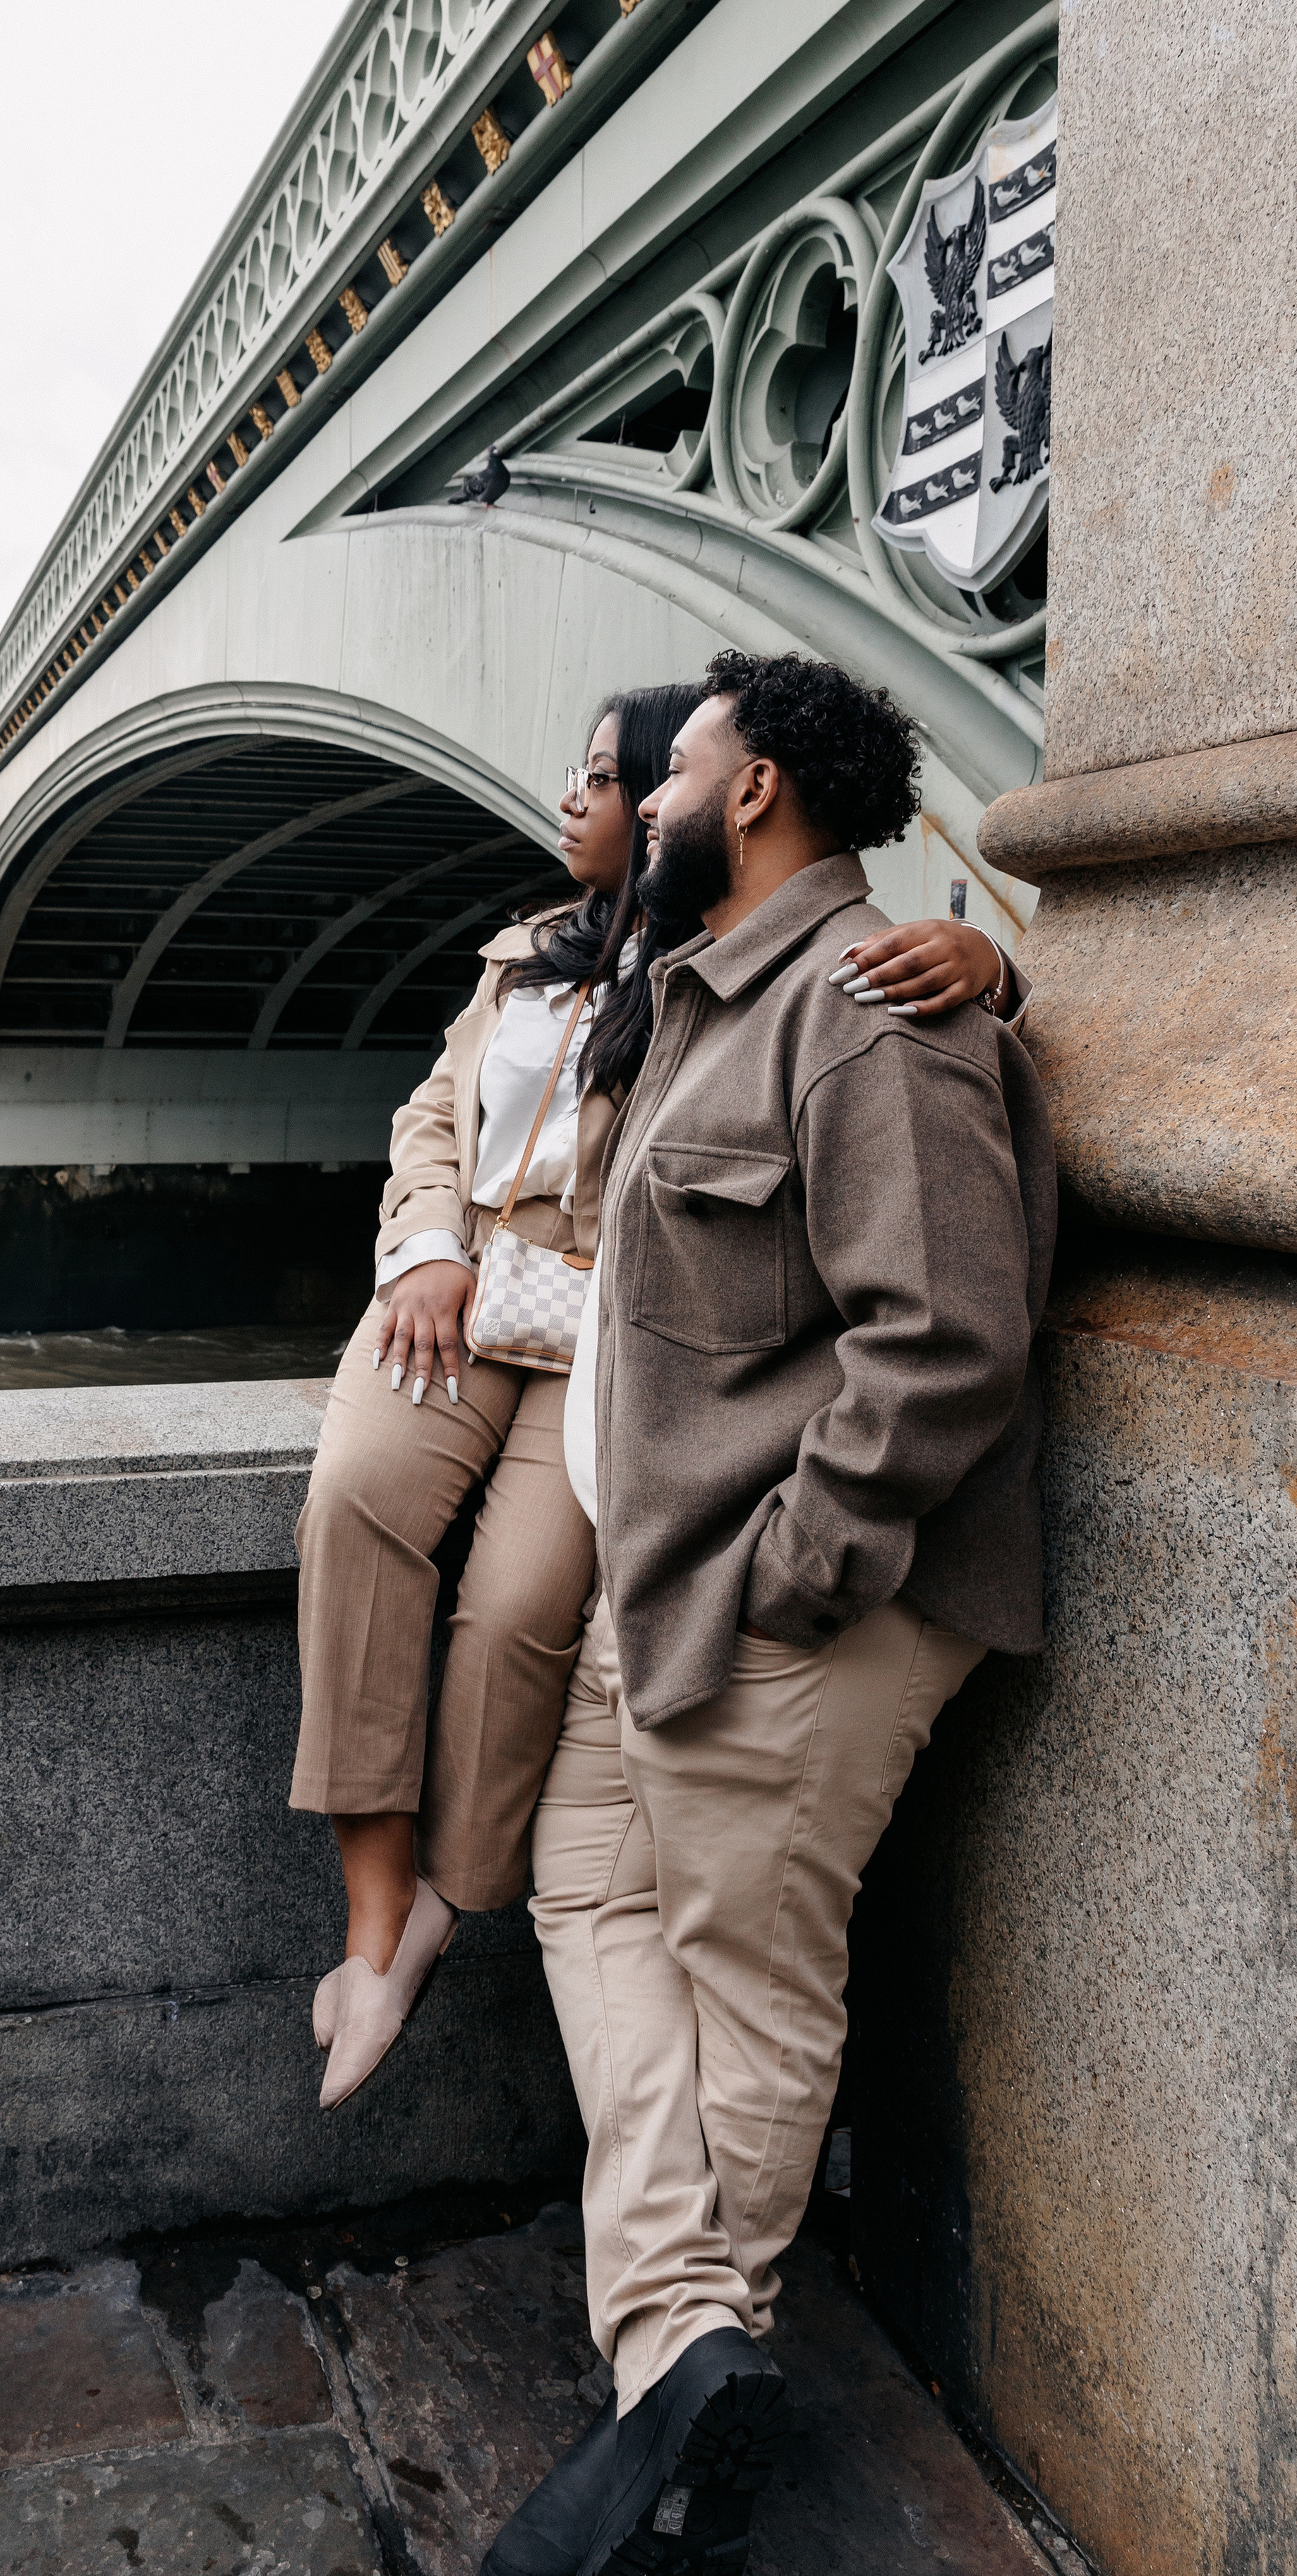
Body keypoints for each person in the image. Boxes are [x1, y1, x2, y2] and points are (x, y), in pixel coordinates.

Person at [483, 651, 1056, 2576]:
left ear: (752, 792)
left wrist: (792, 1580)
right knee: (586, 1881)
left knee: (750, 1987)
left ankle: (668, 2430)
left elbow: (948, 1340)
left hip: (789, 1599)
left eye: (676, 766)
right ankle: (685, 2352)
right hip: (674, 1583)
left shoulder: (870, 1007)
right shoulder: (706, 993)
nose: (639, 796)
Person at [291, 682, 1021, 2116]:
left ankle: (452, 1895)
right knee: (352, 1511)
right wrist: (426, 1247)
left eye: (609, 776)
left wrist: (994, 966)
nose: (570, 798)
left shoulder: (716, 969)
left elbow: (868, 1010)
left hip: (611, 1349)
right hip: (459, 1298)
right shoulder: (519, 956)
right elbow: (430, 1115)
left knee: (513, 1613)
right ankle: (372, 1914)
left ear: (690, 803)